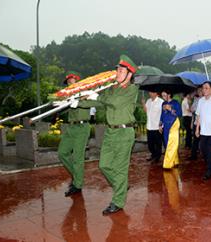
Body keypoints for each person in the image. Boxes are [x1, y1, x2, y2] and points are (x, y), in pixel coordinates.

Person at [78, 55, 138, 214]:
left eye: (121, 70)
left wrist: (96, 95)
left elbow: (114, 102)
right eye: (117, 69)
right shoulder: (113, 88)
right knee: (104, 164)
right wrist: (78, 101)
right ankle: (122, 186)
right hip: (111, 131)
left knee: (120, 168)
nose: (117, 72)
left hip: (125, 132)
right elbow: (99, 101)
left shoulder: (132, 89)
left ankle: (118, 201)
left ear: (129, 74)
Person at [58, 71, 91, 197]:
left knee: (78, 158)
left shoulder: (85, 91)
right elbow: (62, 110)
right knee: (62, 153)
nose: (69, 83)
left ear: (77, 80)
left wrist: (80, 98)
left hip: (82, 127)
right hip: (71, 127)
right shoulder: (67, 95)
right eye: (68, 82)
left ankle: (77, 185)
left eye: (71, 80)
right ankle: (76, 175)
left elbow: (90, 102)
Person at [159, 90, 182, 169]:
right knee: (166, 142)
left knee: (171, 142)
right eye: (162, 96)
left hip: (174, 124)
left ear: (169, 94)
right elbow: (162, 115)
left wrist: (170, 109)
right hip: (165, 124)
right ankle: (175, 161)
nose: (163, 97)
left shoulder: (176, 102)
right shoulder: (163, 103)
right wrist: (160, 125)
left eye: (165, 95)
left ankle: (167, 164)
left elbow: (179, 114)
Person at [142, 91, 164, 163]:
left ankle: (157, 157)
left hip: (157, 127)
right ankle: (153, 154)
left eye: (152, 92)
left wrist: (161, 125)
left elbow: (163, 115)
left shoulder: (161, 102)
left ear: (156, 93)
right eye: (150, 92)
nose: (150, 93)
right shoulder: (148, 101)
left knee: (158, 144)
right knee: (150, 144)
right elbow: (146, 111)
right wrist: (143, 104)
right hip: (149, 126)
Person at [189, 87, 203, 160]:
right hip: (196, 122)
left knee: (203, 140)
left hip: (204, 123)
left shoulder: (205, 100)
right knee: (195, 140)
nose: (199, 91)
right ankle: (193, 155)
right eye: (198, 90)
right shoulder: (196, 99)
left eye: (201, 90)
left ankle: (205, 155)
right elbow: (191, 109)